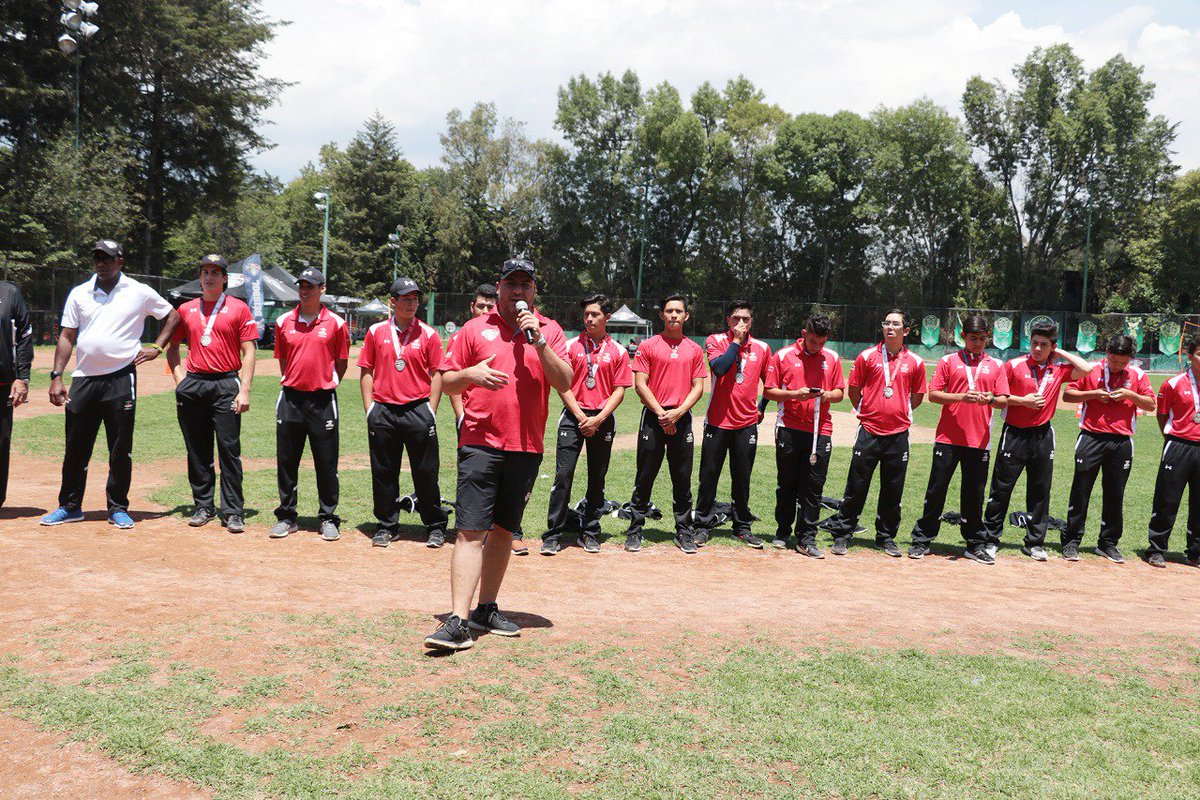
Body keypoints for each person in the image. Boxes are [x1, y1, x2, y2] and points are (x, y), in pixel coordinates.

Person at [424, 259, 571, 651]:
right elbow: (447, 380)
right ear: (499, 287)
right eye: (511, 284)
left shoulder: (550, 330)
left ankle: (486, 608)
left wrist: (539, 342)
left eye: (525, 284)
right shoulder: (474, 329)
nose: (518, 291)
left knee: (505, 530)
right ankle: (458, 620)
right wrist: (471, 375)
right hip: (480, 443)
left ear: (534, 290)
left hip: (526, 447)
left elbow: (565, 380)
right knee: (470, 530)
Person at [40, 239, 181, 529]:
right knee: (76, 446)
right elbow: (67, 336)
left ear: (120, 261)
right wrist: (57, 376)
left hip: (121, 377)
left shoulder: (138, 291)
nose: (101, 263)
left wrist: (157, 347)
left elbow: (172, 315)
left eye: (106, 258)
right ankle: (69, 506)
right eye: (97, 258)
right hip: (84, 379)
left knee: (119, 447)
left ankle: (117, 507)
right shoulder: (79, 293)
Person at [979, 321, 1090, 560]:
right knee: (1001, 489)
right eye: (1034, 343)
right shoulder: (1013, 365)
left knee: (1040, 491)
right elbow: (998, 399)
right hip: (1014, 434)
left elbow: (1085, 368)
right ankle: (990, 539)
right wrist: (1023, 401)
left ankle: (1034, 543)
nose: (1038, 349)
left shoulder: (1058, 369)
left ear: (1052, 347)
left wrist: (1059, 353)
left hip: (1043, 435)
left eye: (1044, 345)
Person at [822, 309, 926, 557]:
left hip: (898, 434)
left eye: (896, 324)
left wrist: (898, 411)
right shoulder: (867, 356)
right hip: (868, 431)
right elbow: (854, 390)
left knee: (893, 489)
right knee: (856, 487)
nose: (890, 327)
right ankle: (843, 534)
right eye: (886, 323)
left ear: (906, 331)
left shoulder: (916, 362)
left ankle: (886, 537)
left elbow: (918, 396)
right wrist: (868, 411)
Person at [165, 254, 258, 533]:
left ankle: (232, 511)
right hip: (193, 385)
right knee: (197, 450)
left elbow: (249, 351)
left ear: (224, 278)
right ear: (200, 276)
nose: (209, 277)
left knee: (229, 451)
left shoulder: (239, 308)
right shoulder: (185, 309)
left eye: (215, 272)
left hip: (225, 384)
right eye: (205, 272)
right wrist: (180, 380)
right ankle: (203, 506)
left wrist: (244, 390)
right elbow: (172, 347)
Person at [908, 315, 1010, 564]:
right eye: (973, 338)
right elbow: (934, 394)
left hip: (979, 441)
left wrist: (990, 399)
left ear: (988, 338)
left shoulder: (996, 365)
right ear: (963, 337)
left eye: (982, 338)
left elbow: (1003, 400)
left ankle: (975, 544)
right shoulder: (948, 361)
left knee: (974, 495)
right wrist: (961, 397)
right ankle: (922, 539)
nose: (978, 343)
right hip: (948, 439)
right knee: (936, 491)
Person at [358, 277, 449, 548]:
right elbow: (366, 369)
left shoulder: (428, 334)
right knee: (384, 471)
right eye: (406, 298)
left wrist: (431, 409)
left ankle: (435, 525)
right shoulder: (376, 332)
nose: (412, 303)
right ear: (393, 302)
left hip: (417, 409)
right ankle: (387, 525)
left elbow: (437, 372)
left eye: (415, 299)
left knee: (426, 471)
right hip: (383, 411)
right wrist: (370, 408)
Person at [541, 294, 632, 555]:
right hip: (573, 417)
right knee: (563, 475)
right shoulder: (570, 346)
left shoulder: (618, 351)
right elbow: (562, 384)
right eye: (586, 315)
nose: (589, 319)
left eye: (595, 314)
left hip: (602, 419)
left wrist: (599, 418)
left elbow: (620, 390)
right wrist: (581, 415)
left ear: (607, 317)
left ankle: (591, 531)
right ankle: (553, 534)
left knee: (597, 478)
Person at [269, 267, 349, 542]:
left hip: (322, 400)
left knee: (326, 463)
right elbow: (283, 360)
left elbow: (341, 362)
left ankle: (328, 518)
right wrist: (296, 379)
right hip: (290, 398)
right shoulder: (283, 321)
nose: (305, 291)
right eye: (302, 286)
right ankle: (287, 517)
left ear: (322, 289)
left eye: (310, 286)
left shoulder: (336, 323)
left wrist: (324, 380)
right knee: (286, 462)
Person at [624, 294, 707, 554]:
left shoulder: (694, 349)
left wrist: (678, 413)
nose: (673, 315)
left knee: (682, 478)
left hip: (681, 419)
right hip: (653, 417)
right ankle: (635, 529)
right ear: (662, 315)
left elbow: (698, 387)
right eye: (669, 310)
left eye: (678, 311)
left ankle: (684, 531)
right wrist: (662, 414)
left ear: (686, 316)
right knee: (645, 475)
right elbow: (640, 384)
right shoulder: (648, 345)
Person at [1061, 334, 1155, 563]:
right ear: (1107, 353)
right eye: (1113, 360)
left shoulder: (1138, 374)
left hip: (1121, 441)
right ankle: (1071, 541)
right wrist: (1093, 394)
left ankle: (1108, 543)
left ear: (1130, 359)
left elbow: (1151, 404)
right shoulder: (1091, 370)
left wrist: (1130, 395)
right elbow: (1068, 394)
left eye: (1123, 362)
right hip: (1091, 437)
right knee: (1081, 491)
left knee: (1115, 494)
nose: (1117, 366)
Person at [764, 313, 845, 557]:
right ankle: (782, 531)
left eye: (822, 342)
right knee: (787, 484)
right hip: (788, 428)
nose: (817, 346)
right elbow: (769, 391)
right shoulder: (783, 355)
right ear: (804, 334)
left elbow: (840, 393)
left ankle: (807, 538)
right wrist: (794, 395)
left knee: (813, 487)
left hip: (820, 431)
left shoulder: (832, 358)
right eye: (812, 341)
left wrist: (826, 395)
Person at [693, 301, 772, 548]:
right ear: (728, 320)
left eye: (746, 319)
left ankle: (742, 527)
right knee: (709, 476)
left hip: (746, 424)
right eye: (736, 318)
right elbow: (719, 368)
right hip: (717, 422)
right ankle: (702, 525)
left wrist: (762, 407)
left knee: (742, 477)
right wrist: (736, 342)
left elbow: (770, 383)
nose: (741, 323)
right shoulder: (715, 341)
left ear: (752, 322)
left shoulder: (762, 348)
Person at [1147, 336, 1200, 568]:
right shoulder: (1173, 383)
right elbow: (1162, 415)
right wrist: (1172, 437)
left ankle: (1195, 552)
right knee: (1167, 500)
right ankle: (1156, 549)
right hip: (1178, 445)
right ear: (1190, 355)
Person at [0, 279, 32, 509]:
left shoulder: (9, 294)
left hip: (3, 382)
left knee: (1, 442)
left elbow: (25, 335)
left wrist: (22, 377)